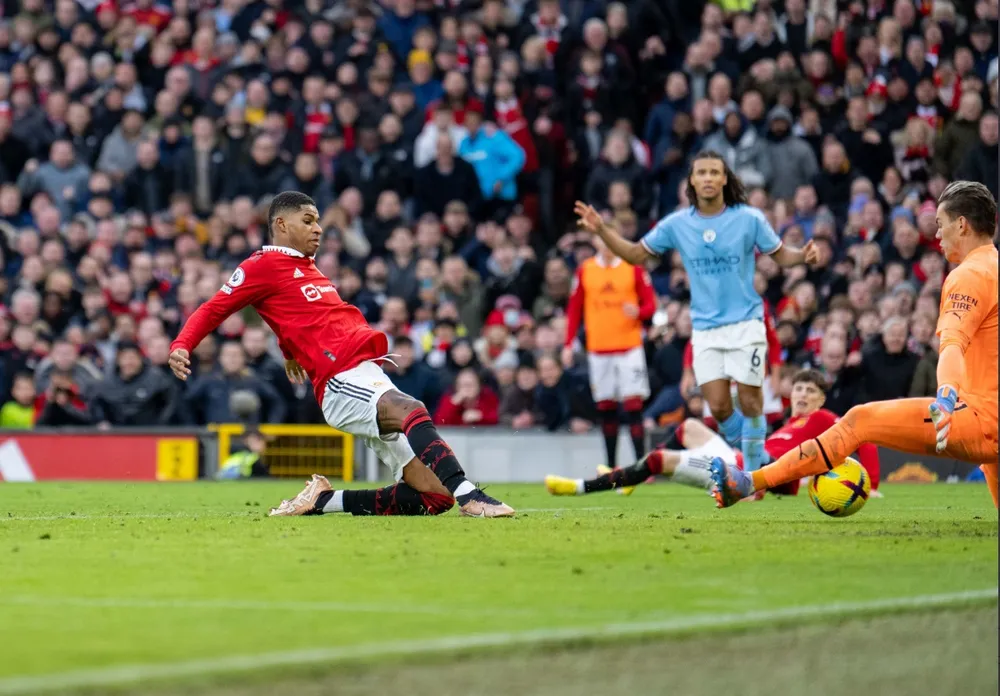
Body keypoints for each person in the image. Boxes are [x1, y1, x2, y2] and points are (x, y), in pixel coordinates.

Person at [169, 191, 514, 518]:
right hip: (339, 380)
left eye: (318, 221)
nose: (318, 228)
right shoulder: (261, 265)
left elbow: (295, 315)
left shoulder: (306, 266)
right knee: (411, 409)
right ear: (281, 225)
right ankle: (471, 496)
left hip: (366, 373)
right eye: (308, 220)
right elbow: (214, 308)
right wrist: (181, 344)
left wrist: (289, 351)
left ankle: (323, 500)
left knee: (434, 497)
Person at [710, 181, 998, 509]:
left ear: (961, 225)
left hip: (980, 418)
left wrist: (945, 397)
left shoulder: (969, 275)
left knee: (859, 420)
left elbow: (953, 344)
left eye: (940, 223)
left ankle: (748, 482)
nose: (936, 234)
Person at [573, 151, 818, 480]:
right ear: (691, 180)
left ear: (724, 179)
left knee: (750, 400)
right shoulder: (678, 223)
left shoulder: (749, 218)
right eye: (701, 172)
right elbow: (634, 254)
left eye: (714, 172)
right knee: (718, 407)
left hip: (746, 323)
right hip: (705, 329)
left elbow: (780, 255)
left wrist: (803, 256)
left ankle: (752, 478)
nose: (708, 178)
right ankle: (761, 456)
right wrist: (602, 229)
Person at [544, 369, 881, 498]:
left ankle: (581, 487)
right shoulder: (785, 427)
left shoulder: (822, 418)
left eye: (810, 391)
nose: (803, 395)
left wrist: (873, 485)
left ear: (821, 399)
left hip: (746, 475)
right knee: (689, 426)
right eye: (799, 389)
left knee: (660, 459)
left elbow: (862, 435)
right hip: (737, 460)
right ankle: (634, 478)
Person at [562, 234, 655, 472]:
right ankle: (611, 466)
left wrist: (639, 312)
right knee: (606, 407)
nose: (607, 245)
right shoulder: (586, 270)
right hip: (599, 348)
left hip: (629, 346)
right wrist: (568, 343)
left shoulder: (632, 267)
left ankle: (641, 466)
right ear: (596, 243)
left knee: (633, 405)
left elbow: (650, 305)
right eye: (603, 240)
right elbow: (574, 309)